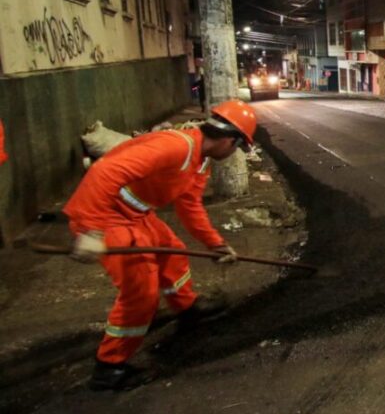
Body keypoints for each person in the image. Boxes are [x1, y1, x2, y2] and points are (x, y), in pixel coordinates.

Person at [64, 100, 256, 392]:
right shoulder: (175, 147)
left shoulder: (200, 160)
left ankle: (187, 309)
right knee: (141, 293)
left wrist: (215, 244)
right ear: (230, 140)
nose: (233, 155)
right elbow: (104, 171)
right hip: (107, 217)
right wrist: (91, 229)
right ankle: (109, 367)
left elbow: (190, 207)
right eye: (237, 149)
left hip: (135, 215)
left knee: (172, 252)